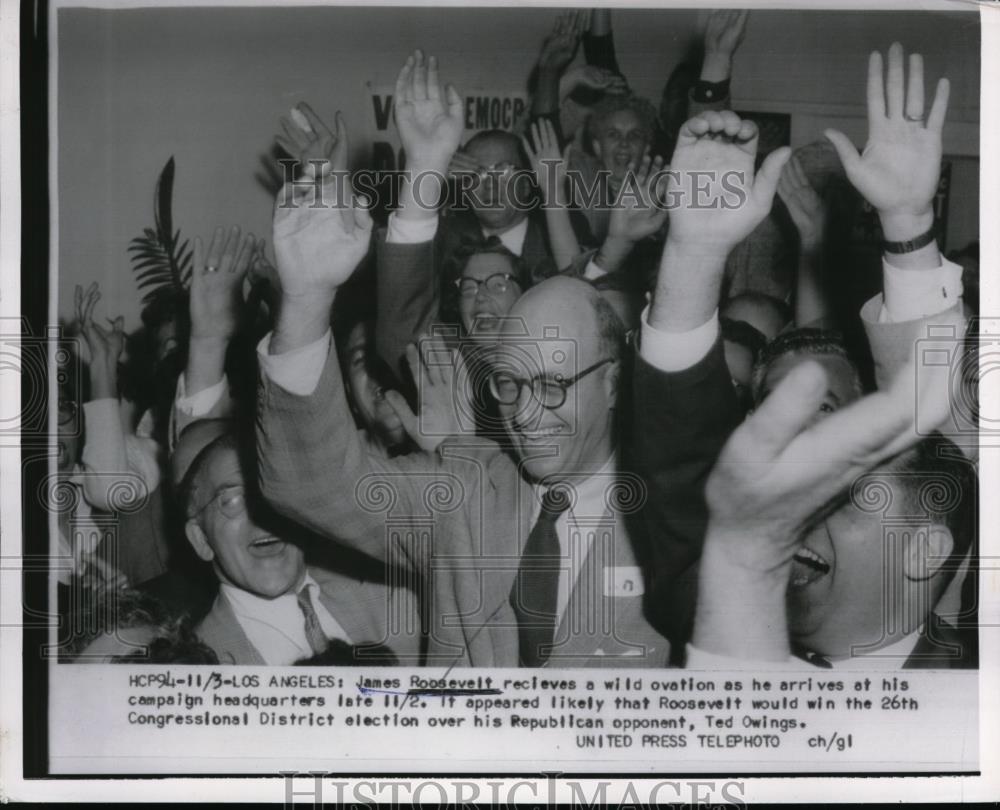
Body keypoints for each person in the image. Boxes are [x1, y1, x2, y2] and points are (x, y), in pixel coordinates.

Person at [256, 121, 669, 669]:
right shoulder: (467, 492)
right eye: (509, 383)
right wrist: (307, 301)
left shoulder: (671, 519)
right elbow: (311, 483)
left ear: (613, 381)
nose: (524, 413)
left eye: (551, 385)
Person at [177, 422, 422, 666]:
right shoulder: (198, 666)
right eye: (231, 500)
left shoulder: (393, 594)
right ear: (200, 539)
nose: (261, 513)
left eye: (272, 492)